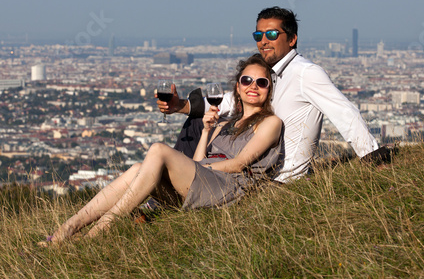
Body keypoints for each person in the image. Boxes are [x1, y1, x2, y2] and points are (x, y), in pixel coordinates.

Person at [41, 54, 283, 244]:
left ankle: (100, 230)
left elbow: (238, 164)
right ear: (238, 87)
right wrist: (207, 131)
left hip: (230, 189)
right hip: (206, 182)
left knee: (158, 150)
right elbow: (200, 158)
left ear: (268, 89)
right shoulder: (225, 122)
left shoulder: (270, 122)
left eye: (261, 82)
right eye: (246, 80)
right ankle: (68, 228)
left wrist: (196, 166)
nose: (253, 86)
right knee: (137, 168)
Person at [158, 6, 386, 184]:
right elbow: (231, 101)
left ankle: (173, 191)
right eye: (258, 35)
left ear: (292, 39)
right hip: (258, 164)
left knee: (198, 126)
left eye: (272, 34)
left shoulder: (306, 73)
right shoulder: (273, 72)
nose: (263, 41)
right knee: (198, 121)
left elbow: (344, 112)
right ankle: (175, 188)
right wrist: (182, 105)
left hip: (278, 177)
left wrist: (373, 157)